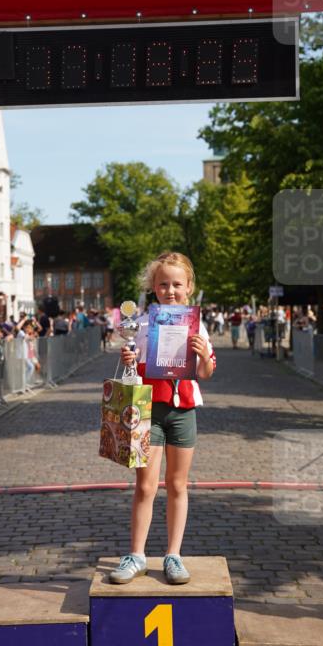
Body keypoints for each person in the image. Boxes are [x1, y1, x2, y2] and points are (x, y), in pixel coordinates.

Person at [111, 251, 215, 587]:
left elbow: (205, 373)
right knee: (144, 486)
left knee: (177, 485)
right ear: (153, 288)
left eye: (177, 284)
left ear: (189, 287)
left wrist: (203, 356)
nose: (170, 290)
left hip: (183, 409)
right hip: (148, 410)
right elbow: (133, 367)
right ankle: (137, 555)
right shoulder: (142, 323)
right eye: (163, 284)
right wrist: (129, 357)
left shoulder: (197, 324)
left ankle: (173, 555)